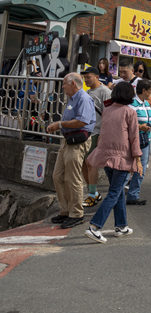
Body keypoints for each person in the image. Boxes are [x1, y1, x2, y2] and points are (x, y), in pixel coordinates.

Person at [83, 81, 143, 243]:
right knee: (114, 193)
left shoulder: (108, 111)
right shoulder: (130, 112)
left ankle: (121, 226)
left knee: (116, 193)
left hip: (105, 156)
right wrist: (137, 160)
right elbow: (134, 138)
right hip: (122, 158)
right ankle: (95, 227)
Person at [47, 72, 96, 229]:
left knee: (72, 178)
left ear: (73, 84)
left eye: (64, 83)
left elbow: (82, 120)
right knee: (58, 176)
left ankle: (76, 213)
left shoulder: (83, 98)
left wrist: (60, 124)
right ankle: (65, 210)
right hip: (67, 140)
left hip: (77, 141)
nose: (62, 87)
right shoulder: (73, 99)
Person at [81, 66, 111, 208]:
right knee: (83, 163)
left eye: (88, 77)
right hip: (86, 132)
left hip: (97, 132)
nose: (86, 80)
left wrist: (103, 135)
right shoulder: (86, 93)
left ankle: (92, 195)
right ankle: (93, 192)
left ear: (97, 77)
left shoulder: (105, 91)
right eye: (84, 77)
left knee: (91, 163)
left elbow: (109, 114)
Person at [126, 79, 151, 206]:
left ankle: (133, 195)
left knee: (140, 169)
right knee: (127, 168)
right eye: (150, 91)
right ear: (143, 90)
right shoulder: (132, 104)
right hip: (133, 141)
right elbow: (126, 123)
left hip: (145, 141)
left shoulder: (146, 104)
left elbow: (149, 119)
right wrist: (140, 127)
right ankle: (118, 194)